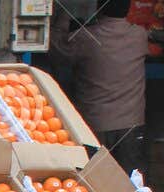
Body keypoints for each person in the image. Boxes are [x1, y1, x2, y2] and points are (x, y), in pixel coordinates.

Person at [53, 0, 150, 176]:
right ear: (128, 9)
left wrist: (63, 18)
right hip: (131, 126)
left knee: (95, 182)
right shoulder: (139, 35)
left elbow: (57, 50)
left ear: (99, 8)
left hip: (95, 126)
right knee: (132, 183)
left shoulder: (85, 37)